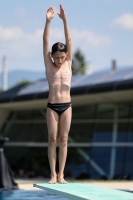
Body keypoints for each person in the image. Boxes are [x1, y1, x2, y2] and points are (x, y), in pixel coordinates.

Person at [43, 5, 72, 184]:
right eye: (57, 57)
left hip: (67, 105)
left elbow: (68, 38)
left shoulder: (69, 63)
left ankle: (61, 174)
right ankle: (52, 174)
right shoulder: (49, 65)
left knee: (64, 139)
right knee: (52, 139)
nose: (60, 61)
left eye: (62, 57)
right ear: (51, 56)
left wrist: (65, 20)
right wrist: (48, 22)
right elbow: (45, 41)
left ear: (66, 55)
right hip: (52, 106)